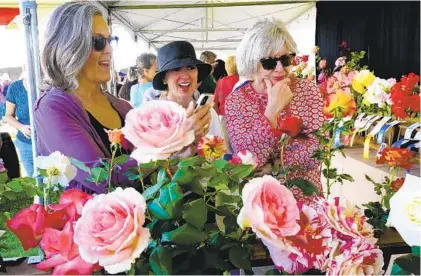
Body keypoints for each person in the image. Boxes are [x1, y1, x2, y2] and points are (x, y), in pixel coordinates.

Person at [34, 2, 133, 194]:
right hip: (92, 222)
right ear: (70, 46)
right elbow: (101, 178)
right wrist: (162, 151)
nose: (109, 50)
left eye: (110, 40)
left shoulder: (121, 106)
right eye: (98, 42)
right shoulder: (52, 107)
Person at [225, 18, 326, 201]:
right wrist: (272, 111)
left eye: (286, 60)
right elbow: (246, 161)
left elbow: (317, 150)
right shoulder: (237, 101)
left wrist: (272, 165)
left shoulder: (307, 90)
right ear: (252, 62)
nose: (280, 69)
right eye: (270, 63)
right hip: (260, 200)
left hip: (305, 197)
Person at [152, 41, 223, 141]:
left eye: (190, 67)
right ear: (164, 78)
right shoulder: (153, 116)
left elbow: (219, 151)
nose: (185, 75)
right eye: (176, 69)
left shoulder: (208, 113)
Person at [4, 75, 34, 177]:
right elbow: (8, 116)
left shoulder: (52, 85)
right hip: (26, 144)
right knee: (34, 180)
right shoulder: (15, 87)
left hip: (48, 144)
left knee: (54, 184)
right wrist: (22, 127)